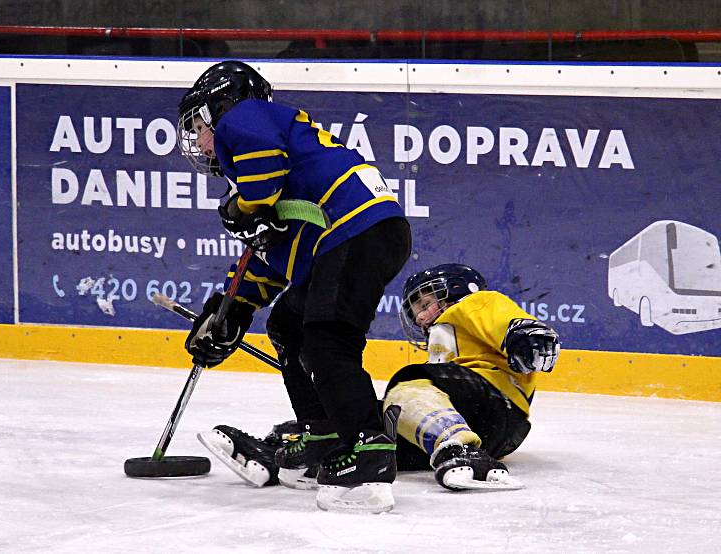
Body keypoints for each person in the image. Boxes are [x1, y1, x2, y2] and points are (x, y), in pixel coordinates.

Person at [178, 60, 412, 513]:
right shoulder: (283, 173)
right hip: (353, 235)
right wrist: (228, 312)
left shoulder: (245, 118)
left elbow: (261, 186)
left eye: (200, 125)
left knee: (327, 338)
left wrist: (247, 208)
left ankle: (369, 454)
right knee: (290, 323)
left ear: (220, 105)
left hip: (355, 231)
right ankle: (323, 433)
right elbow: (272, 257)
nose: (201, 140)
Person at [198, 262, 560, 492]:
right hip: (472, 421)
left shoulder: (474, 304)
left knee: (407, 387)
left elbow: (504, 320)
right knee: (363, 424)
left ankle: (460, 452)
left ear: (458, 291)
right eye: (415, 308)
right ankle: (283, 457)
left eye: (427, 301)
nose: (421, 315)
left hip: (495, 407)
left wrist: (523, 335)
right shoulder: (441, 345)